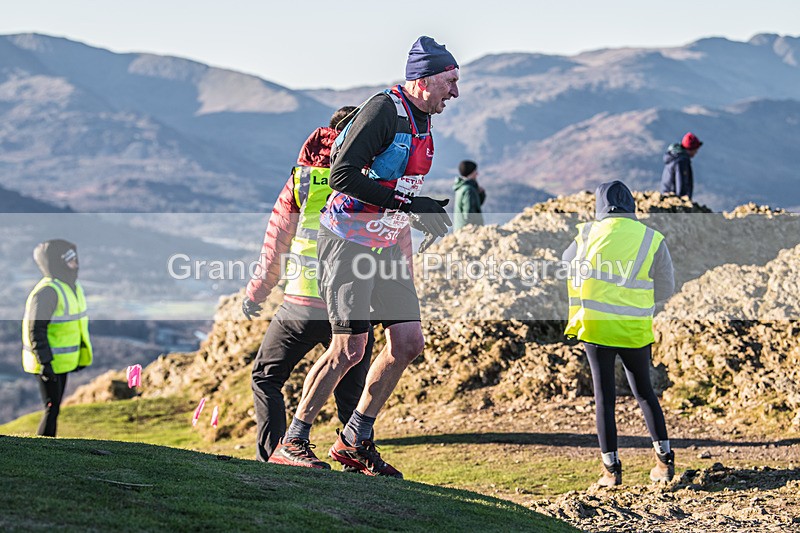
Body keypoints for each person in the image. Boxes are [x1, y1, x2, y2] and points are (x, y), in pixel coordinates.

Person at [268, 36, 459, 478]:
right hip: (348, 243)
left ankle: (354, 440)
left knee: (409, 343)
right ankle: (292, 441)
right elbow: (342, 175)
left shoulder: (423, 119)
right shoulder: (383, 111)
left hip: (387, 244)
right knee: (349, 349)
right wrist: (410, 207)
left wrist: (421, 211)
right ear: (424, 80)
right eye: (450, 82)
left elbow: (396, 186)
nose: (455, 93)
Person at [242, 106, 377, 465]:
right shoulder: (376, 177)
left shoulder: (303, 179)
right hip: (353, 304)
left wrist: (256, 293)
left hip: (302, 301)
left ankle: (276, 455)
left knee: (266, 377)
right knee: (351, 392)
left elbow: (276, 242)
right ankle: (359, 461)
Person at [563, 181, 676, 486]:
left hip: (596, 326)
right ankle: (664, 464)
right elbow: (667, 286)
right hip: (634, 327)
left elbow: (566, 264)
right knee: (644, 393)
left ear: (599, 206)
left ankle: (611, 471)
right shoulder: (651, 238)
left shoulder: (586, 234)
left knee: (605, 398)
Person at [22, 239, 93, 437]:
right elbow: (36, 329)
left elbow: (74, 326)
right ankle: (44, 448)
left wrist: (77, 357)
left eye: (75, 258)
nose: (75, 264)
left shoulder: (71, 287)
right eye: (70, 259)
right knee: (51, 407)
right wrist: (45, 362)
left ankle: (47, 447)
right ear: (57, 262)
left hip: (61, 362)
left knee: (55, 407)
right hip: (48, 362)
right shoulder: (48, 292)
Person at [660, 132, 702, 199]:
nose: (696, 152)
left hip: (666, 195)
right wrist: (683, 200)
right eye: (695, 149)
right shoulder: (681, 161)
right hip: (673, 198)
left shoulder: (673, 158)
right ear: (690, 148)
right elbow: (681, 182)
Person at [452, 159, 486, 231]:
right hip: (467, 231)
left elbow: (476, 205)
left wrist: (480, 193)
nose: (477, 174)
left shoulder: (461, 187)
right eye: (475, 171)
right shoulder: (468, 190)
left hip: (460, 228)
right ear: (471, 172)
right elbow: (469, 214)